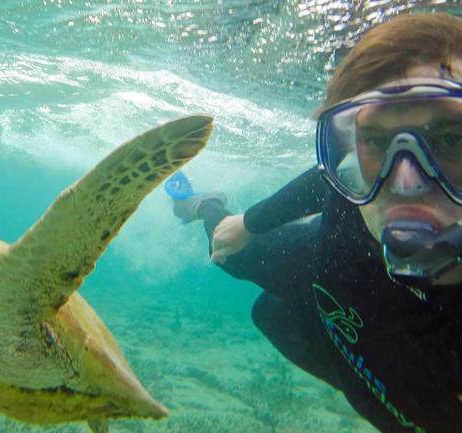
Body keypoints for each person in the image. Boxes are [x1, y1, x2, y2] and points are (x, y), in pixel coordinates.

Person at [168, 13, 462, 433]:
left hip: (342, 337)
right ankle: (202, 204)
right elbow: (327, 179)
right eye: (376, 141)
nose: (406, 182)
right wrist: (248, 223)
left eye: (452, 139)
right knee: (227, 251)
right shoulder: (348, 185)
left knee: (268, 313)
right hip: (323, 272)